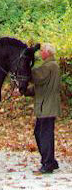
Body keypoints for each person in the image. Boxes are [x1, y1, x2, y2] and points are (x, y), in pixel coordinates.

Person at [25, 43, 61, 174]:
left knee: (44, 135)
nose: (40, 53)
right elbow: (39, 87)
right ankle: (50, 161)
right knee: (41, 133)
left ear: (48, 52)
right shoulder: (50, 66)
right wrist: (25, 91)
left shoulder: (50, 66)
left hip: (47, 106)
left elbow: (35, 77)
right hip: (45, 106)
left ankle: (47, 164)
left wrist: (25, 66)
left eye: (42, 51)